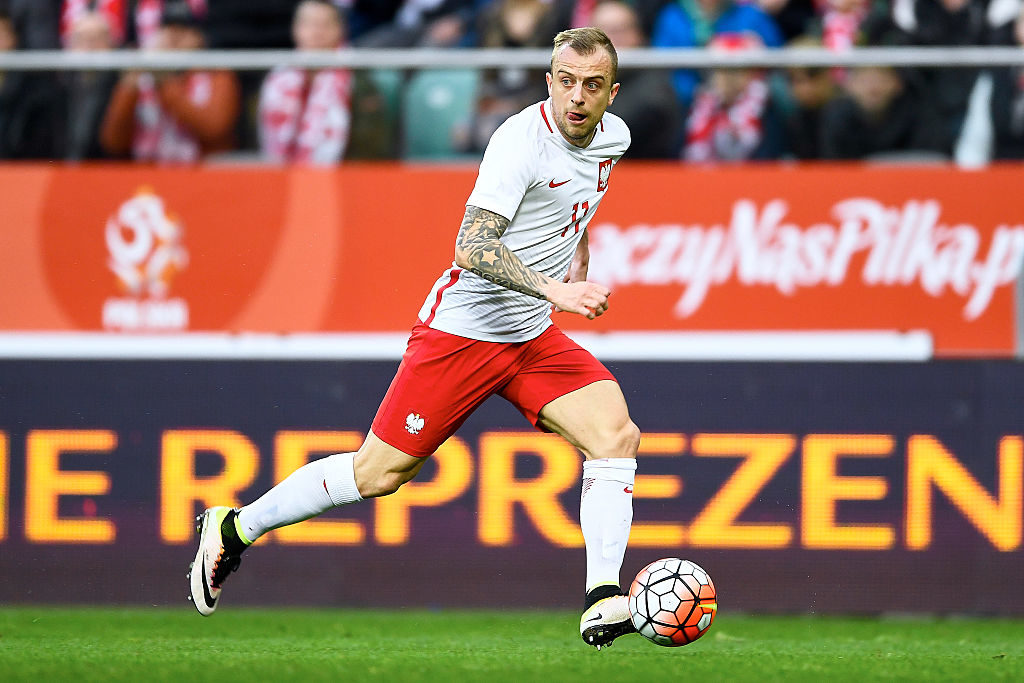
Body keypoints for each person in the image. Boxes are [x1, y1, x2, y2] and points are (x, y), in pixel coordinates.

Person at [189, 26, 641, 651]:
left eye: (592, 85)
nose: (577, 97)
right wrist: (559, 291)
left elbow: (576, 201)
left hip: (530, 336)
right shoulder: (518, 143)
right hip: (464, 330)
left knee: (615, 434)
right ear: (549, 82)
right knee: (377, 475)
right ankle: (235, 527)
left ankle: (601, 597)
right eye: (566, 81)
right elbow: (472, 246)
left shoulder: (612, 139)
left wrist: (578, 246)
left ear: (612, 94)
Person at [99, 0, 239, 162]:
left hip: (201, 173)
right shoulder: (142, 77)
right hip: (148, 173)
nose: (174, 37)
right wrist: (128, 89)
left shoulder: (216, 75)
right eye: (168, 29)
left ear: (200, 37)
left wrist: (165, 83)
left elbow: (214, 130)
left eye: (184, 30)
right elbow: (113, 142)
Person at [258, 0, 354, 165]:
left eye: (325, 25)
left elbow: (368, 148)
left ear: (340, 30)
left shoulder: (357, 79)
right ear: (295, 29)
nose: (317, 32)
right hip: (280, 177)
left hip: (342, 180)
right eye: (309, 24)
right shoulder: (276, 80)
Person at [590, 0, 682, 159]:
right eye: (602, 33)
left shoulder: (655, 86)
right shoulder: (574, 79)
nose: (611, 40)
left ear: (638, 34)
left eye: (620, 30)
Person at [682, 32, 786, 161]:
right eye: (720, 71)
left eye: (735, 71)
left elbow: (769, 159)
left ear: (751, 74)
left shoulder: (767, 112)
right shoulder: (697, 108)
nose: (727, 79)